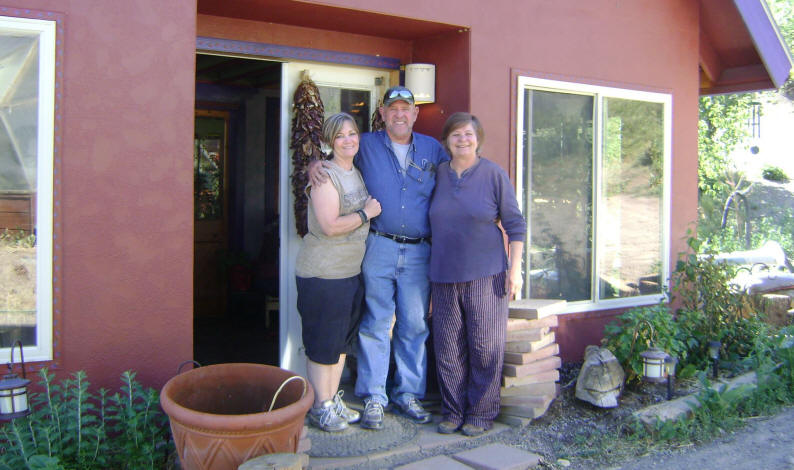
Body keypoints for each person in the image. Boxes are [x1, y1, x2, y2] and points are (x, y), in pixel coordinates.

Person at [309, 86, 448, 430]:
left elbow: (460, 176)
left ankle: (408, 394)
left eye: (406, 109)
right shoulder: (366, 144)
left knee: (414, 324)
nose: (400, 114)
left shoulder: (433, 149)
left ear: (415, 114)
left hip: (419, 250)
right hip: (378, 246)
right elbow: (335, 153)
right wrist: (315, 164)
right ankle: (374, 396)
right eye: (393, 109)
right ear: (383, 114)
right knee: (375, 323)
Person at [428, 112, 526, 437]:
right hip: (443, 277)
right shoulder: (438, 174)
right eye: (456, 135)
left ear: (478, 139)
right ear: (447, 141)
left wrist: (516, 271)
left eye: (468, 134)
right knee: (447, 349)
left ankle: (481, 414)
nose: (462, 140)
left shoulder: (494, 175)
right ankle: (453, 411)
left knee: (485, 347)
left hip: (487, 275)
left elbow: (516, 226)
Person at [295, 112, 382, 432]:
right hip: (323, 274)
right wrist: (366, 212)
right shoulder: (325, 177)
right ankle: (319, 406)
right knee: (322, 344)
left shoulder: (355, 172)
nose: (349, 140)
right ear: (329, 142)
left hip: (349, 273)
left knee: (340, 342)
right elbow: (330, 225)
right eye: (340, 135)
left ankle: (331, 400)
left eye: (352, 133)